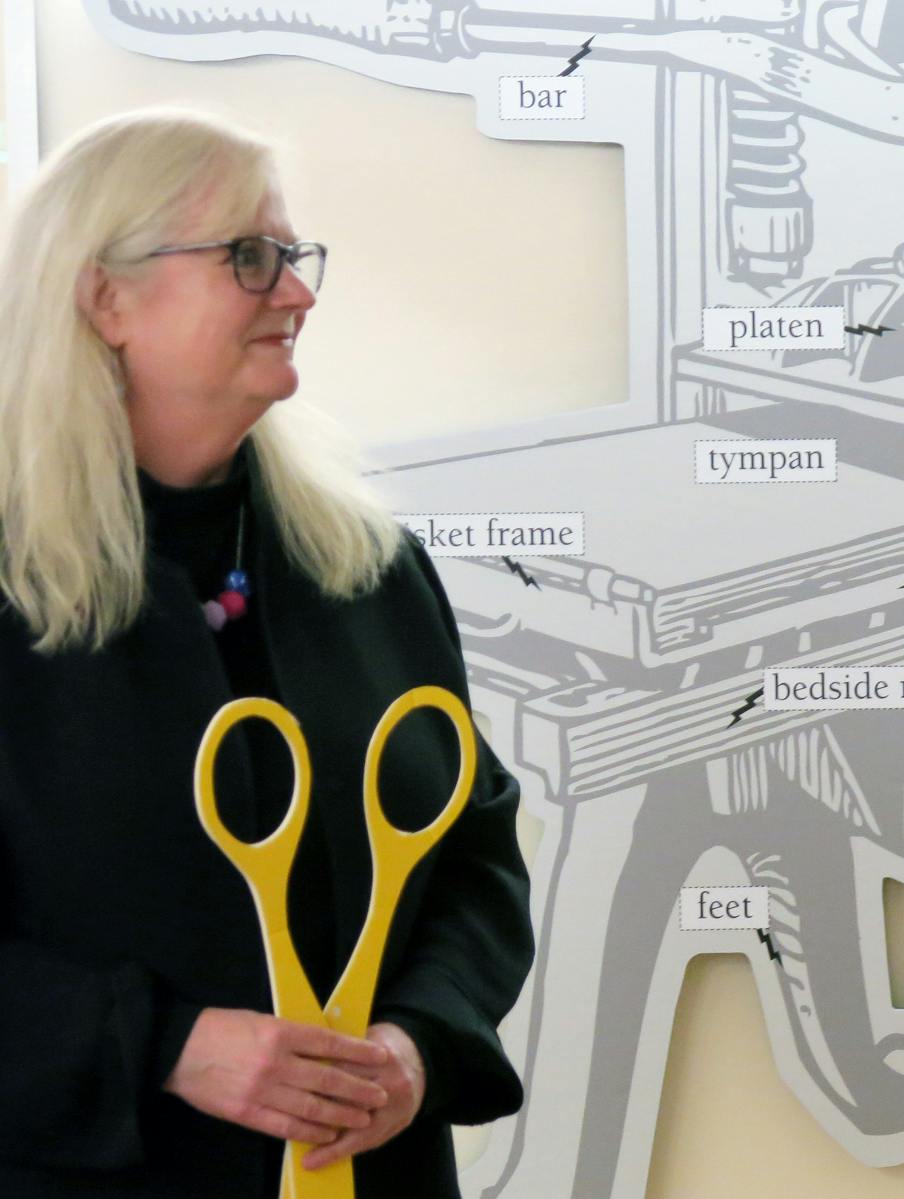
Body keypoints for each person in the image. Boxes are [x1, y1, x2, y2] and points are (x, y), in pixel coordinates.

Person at [0, 109, 534, 1196]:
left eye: (292, 256)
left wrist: (415, 1046)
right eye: (251, 257)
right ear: (105, 297)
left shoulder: (365, 564)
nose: (297, 292)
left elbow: (476, 856)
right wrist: (166, 1042)